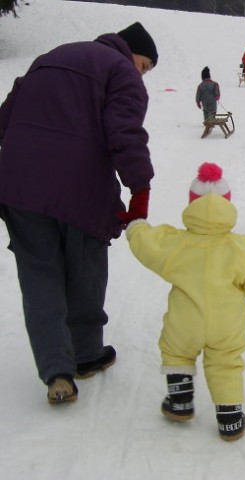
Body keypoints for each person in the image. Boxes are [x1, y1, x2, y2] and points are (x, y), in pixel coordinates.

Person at [0, 22, 158, 404]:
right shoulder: (121, 73)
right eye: (145, 65)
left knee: (39, 274)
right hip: (79, 186)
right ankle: (86, 355)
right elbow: (124, 131)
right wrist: (140, 187)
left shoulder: (49, 59)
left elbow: (6, 114)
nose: (142, 74)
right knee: (86, 265)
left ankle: (56, 371)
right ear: (132, 53)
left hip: (19, 184)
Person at [124, 162, 245, 441]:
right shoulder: (242, 247)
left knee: (177, 353)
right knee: (226, 361)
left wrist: (136, 227)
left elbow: (148, 244)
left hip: (185, 320)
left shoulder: (176, 243)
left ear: (192, 205)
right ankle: (229, 418)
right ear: (227, 205)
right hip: (226, 323)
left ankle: (180, 403)